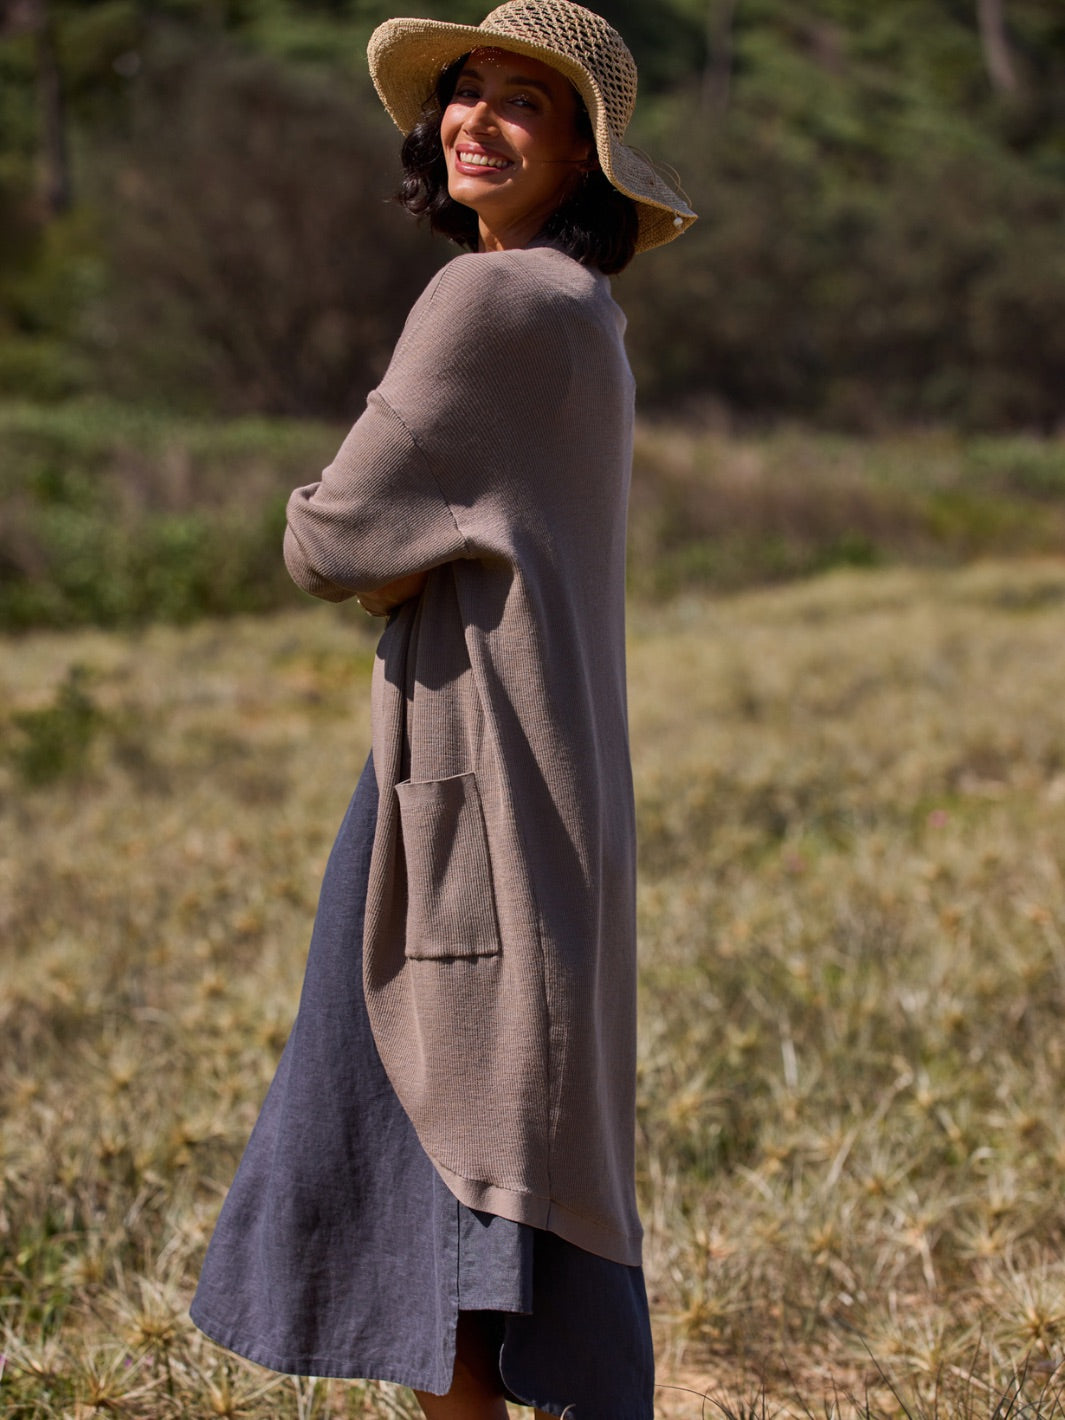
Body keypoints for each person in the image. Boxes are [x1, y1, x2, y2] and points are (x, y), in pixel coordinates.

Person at [190, 3, 695, 1416]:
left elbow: (327, 534)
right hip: (547, 799)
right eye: (465, 92)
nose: (475, 119)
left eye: (522, 104)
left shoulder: (486, 302)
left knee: (435, 1236)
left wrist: (389, 558)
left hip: (465, 789)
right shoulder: (584, 313)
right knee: (479, 1217)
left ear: (583, 154)